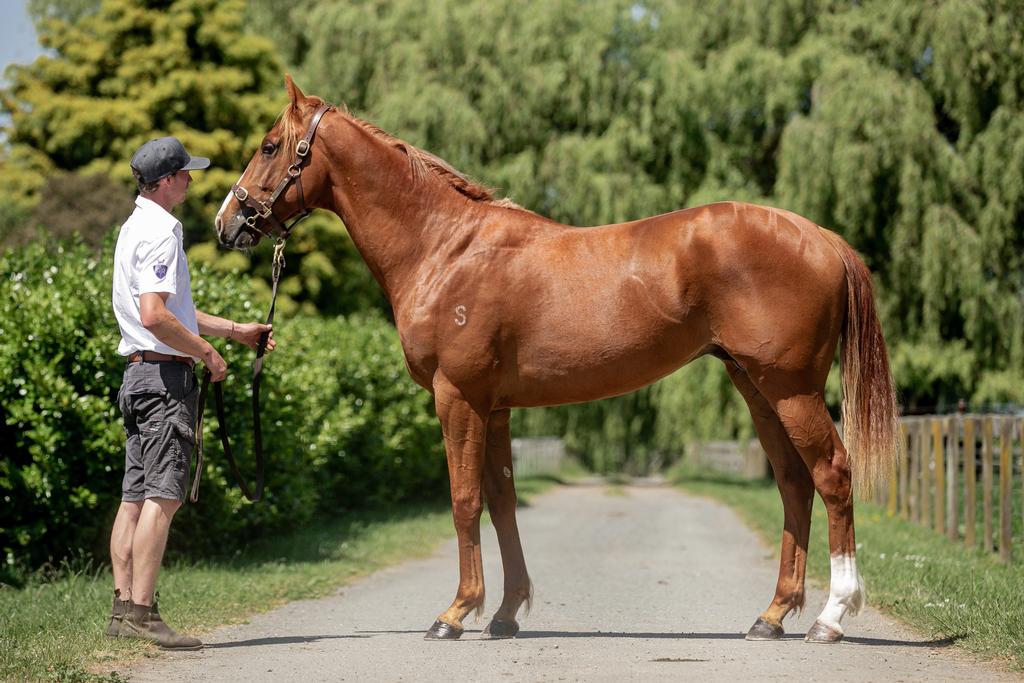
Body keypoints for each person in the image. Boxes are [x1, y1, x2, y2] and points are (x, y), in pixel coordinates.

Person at [106, 137, 276, 649]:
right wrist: (206, 353)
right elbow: (156, 316)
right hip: (164, 383)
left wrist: (235, 331)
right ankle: (143, 612)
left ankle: (121, 611)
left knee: (134, 498)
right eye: (184, 173)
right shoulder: (163, 231)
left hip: (137, 377)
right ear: (165, 182)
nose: (190, 180)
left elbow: (167, 310)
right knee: (163, 497)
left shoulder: (133, 227)